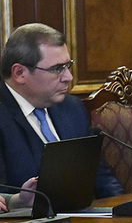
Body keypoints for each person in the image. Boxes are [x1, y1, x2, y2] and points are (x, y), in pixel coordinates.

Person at [0, 23, 124, 208]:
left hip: (84, 220)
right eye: (56, 69)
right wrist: (18, 201)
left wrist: (127, 211)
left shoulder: (72, 108)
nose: (68, 77)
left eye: (67, 66)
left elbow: (100, 179)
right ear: (19, 73)